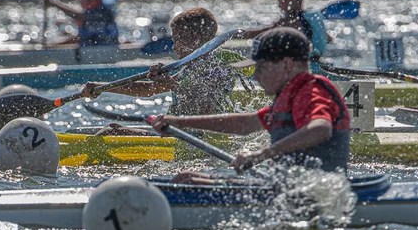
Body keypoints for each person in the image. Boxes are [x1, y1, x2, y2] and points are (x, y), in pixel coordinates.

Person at [149, 27, 351, 184]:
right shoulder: (289, 97)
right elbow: (245, 124)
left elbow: (321, 128)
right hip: (287, 187)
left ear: (287, 65)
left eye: (261, 67)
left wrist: (260, 155)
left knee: (189, 182)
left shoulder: (313, 90)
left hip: (316, 192)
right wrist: (178, 123)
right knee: (187, 178)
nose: (255, 75)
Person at [82, 7, 245, 115]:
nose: (174, 47)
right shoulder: (188, 67)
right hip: (179, 130)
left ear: (195, 40)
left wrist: (169, 83)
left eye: (177, 40)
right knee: (112, 130)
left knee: (109, 133)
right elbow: (148, 90)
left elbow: (205, 105)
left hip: (200, 136)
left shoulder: (217, 66)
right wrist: (103, 87)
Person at [241, 0, 330, 59]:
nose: (279, 6)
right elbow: (328, 39)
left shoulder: (290, 21)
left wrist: (241, 34)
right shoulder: (313, 16)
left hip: (306, 67)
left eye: (280, 0)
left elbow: (264, 32)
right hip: (317, 62)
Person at [44, 0, 119, 46]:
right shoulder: (97, 4)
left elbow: (79, 17)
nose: (80, 1)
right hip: (96, 46)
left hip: (102, 47)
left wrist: (55, 4)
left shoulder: (101, 12)